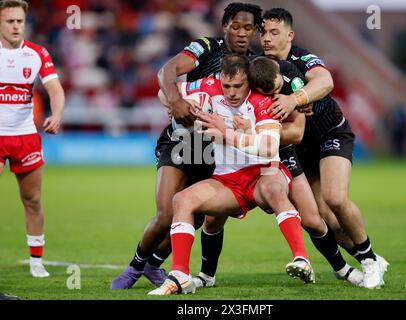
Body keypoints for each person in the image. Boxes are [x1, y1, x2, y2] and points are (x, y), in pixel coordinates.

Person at [111, 2, 264, 290]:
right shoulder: (207, 47)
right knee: (166, 214)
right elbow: (167, 71)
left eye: (248, 28)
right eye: (236, 26)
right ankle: (133, 268)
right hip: (183, 141)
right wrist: (176, 99)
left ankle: (154, 266)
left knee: (191, 215)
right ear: (225, 26)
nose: (242, 33)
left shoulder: (255, 65)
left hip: (216, 150)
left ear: (255, 31)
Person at [191, 56, 364, 289]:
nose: (272, 94)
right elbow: (182, 91)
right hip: (238, 165)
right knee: (213, 220)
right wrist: (178, 106)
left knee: (312, 219)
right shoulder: (239, 85)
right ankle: (206, 276)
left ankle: (342, 269)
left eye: (275, 90)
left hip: (279, 157)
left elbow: (296, 134)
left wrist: (252, 133)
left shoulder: (290, 86)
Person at [149, 54, 314, 295]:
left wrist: (228, 134)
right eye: (227, 86)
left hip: (264, 172)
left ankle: (302, 259)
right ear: (220, 80)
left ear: (248, 81)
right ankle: (180, 275)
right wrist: (178, 105)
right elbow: (163, 92)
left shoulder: (263, 100)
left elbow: (269, 146)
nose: (232, 92)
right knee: (182, 200)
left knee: (274, 190)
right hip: (228, 179)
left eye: (238, 86)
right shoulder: (209, 87)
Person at [259, 8, 388, 289]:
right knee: (320, 219)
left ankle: (368, 263)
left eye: (274, 32)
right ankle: (369, 256)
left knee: (335, 198)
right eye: (264, 32)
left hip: (330, 133)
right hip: (298, 147)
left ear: (290, 35)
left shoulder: (302, 58)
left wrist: (295, 99)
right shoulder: (259, 66)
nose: (266, 38)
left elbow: (325, 81)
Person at [0, 0, 64, 278]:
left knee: (33, 199)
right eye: (9, 21)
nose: (16, 26)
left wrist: (57, 114)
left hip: (25, 136)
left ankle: (36, 261)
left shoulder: (37, 54)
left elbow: (55, 89)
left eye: (20, 21)